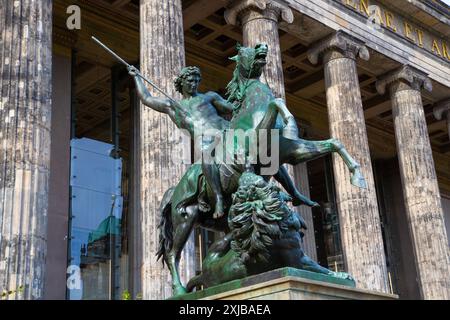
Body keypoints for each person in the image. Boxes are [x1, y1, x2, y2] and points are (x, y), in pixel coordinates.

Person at [129, 65, 232, 218]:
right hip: (205, 140)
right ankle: (218, 197)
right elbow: (147, 99)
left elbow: (230, 108)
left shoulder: (209, 97)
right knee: (206, 156)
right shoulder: (173, 106)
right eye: (190, 81)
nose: (194, 84)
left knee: (265, 146)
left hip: (226, 131)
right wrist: (137, 77)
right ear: (181, 82)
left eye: (197, 81)